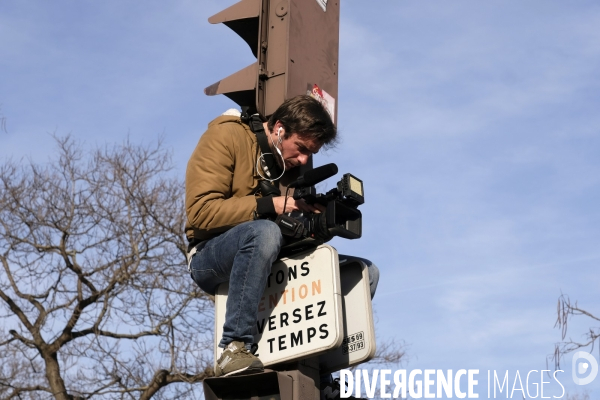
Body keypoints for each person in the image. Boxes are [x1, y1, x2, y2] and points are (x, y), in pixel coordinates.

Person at [185, 95, 379, 384]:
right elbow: (200, 213)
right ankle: (234, 347)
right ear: (279, 128)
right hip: (208, 256)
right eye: (300, 149)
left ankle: (321, 370)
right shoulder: (225, 136)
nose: (302, 160)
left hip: (259, 250)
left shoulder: (279, 165)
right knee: (264, 232)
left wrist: (316, 226)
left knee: (362, 272)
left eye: (309, 154)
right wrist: (271, 205)